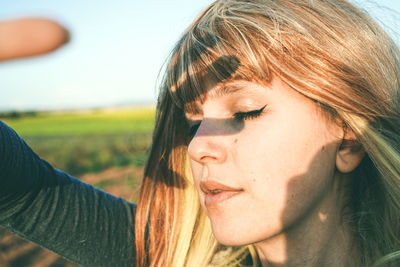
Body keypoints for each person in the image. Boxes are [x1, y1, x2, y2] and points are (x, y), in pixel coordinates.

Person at [1, 0, 400, 266]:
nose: (198, 146)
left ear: (349, 137)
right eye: (193, 122)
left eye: (246, 111)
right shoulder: (172, 256)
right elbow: (25, 193)